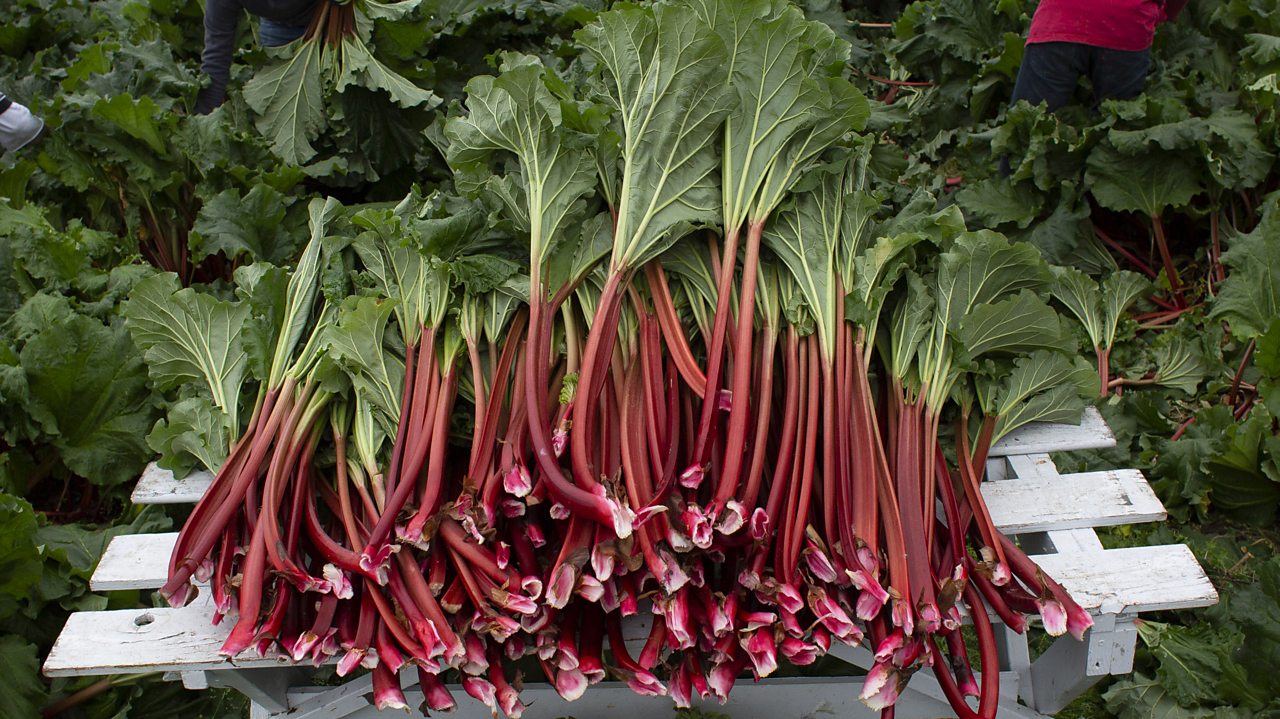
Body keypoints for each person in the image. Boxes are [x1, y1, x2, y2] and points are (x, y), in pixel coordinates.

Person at [1008, 0, 1190, 112]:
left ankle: (1013, 173)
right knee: (1114, 125)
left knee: (1027, 123)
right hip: (1127, 23)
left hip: (1061, 16)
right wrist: (1165, 15)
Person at [196, 0, 320, 115]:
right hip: (279, 23)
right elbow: (216, 58)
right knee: (278, 110)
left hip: (328, 14)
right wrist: (205, 120)